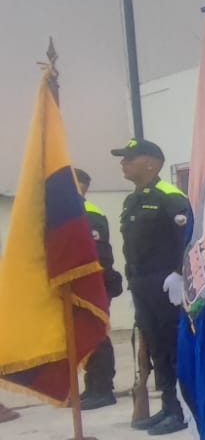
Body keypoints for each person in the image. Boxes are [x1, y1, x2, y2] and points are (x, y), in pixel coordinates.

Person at [111, 138, 192, 433]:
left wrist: (179, 274)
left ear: (151, 163)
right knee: (156, 349)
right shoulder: (132, 200)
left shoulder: (171, 197)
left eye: (130, 158)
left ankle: (182, 410)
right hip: (143, 285)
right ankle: (168, 405)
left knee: (174, 347)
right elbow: (132, 247)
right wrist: (133, 284)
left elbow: (189, 239)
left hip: (168, 285)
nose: (124, 163)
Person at [74, 168, 124, 411]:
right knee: (84, 336)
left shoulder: (89, 214)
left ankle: (103, 389)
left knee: (96, 335)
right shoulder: (69, 214)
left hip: (95, 283)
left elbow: (100, 256)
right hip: (78, 286)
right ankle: (92, 386)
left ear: (81, 186)